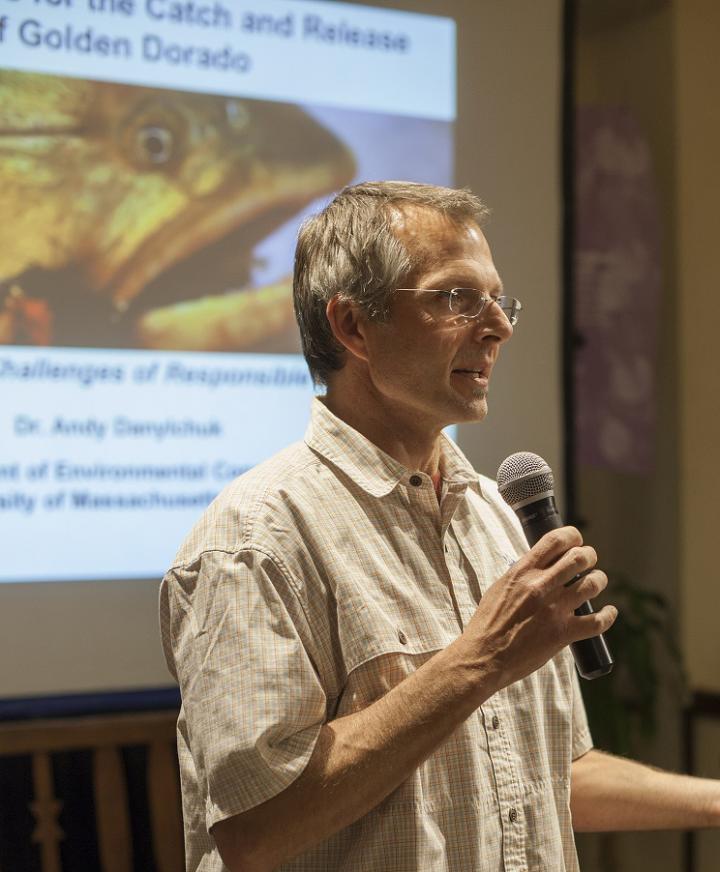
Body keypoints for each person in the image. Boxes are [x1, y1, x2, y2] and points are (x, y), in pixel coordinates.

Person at [160, 181, 720, 872]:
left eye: (499, 300)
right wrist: (479, 661)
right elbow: (255, 830)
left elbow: (551, 776)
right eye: (456, 298)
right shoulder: (255, 538)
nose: (499, 326)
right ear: (353, 326)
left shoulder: (494, 514)